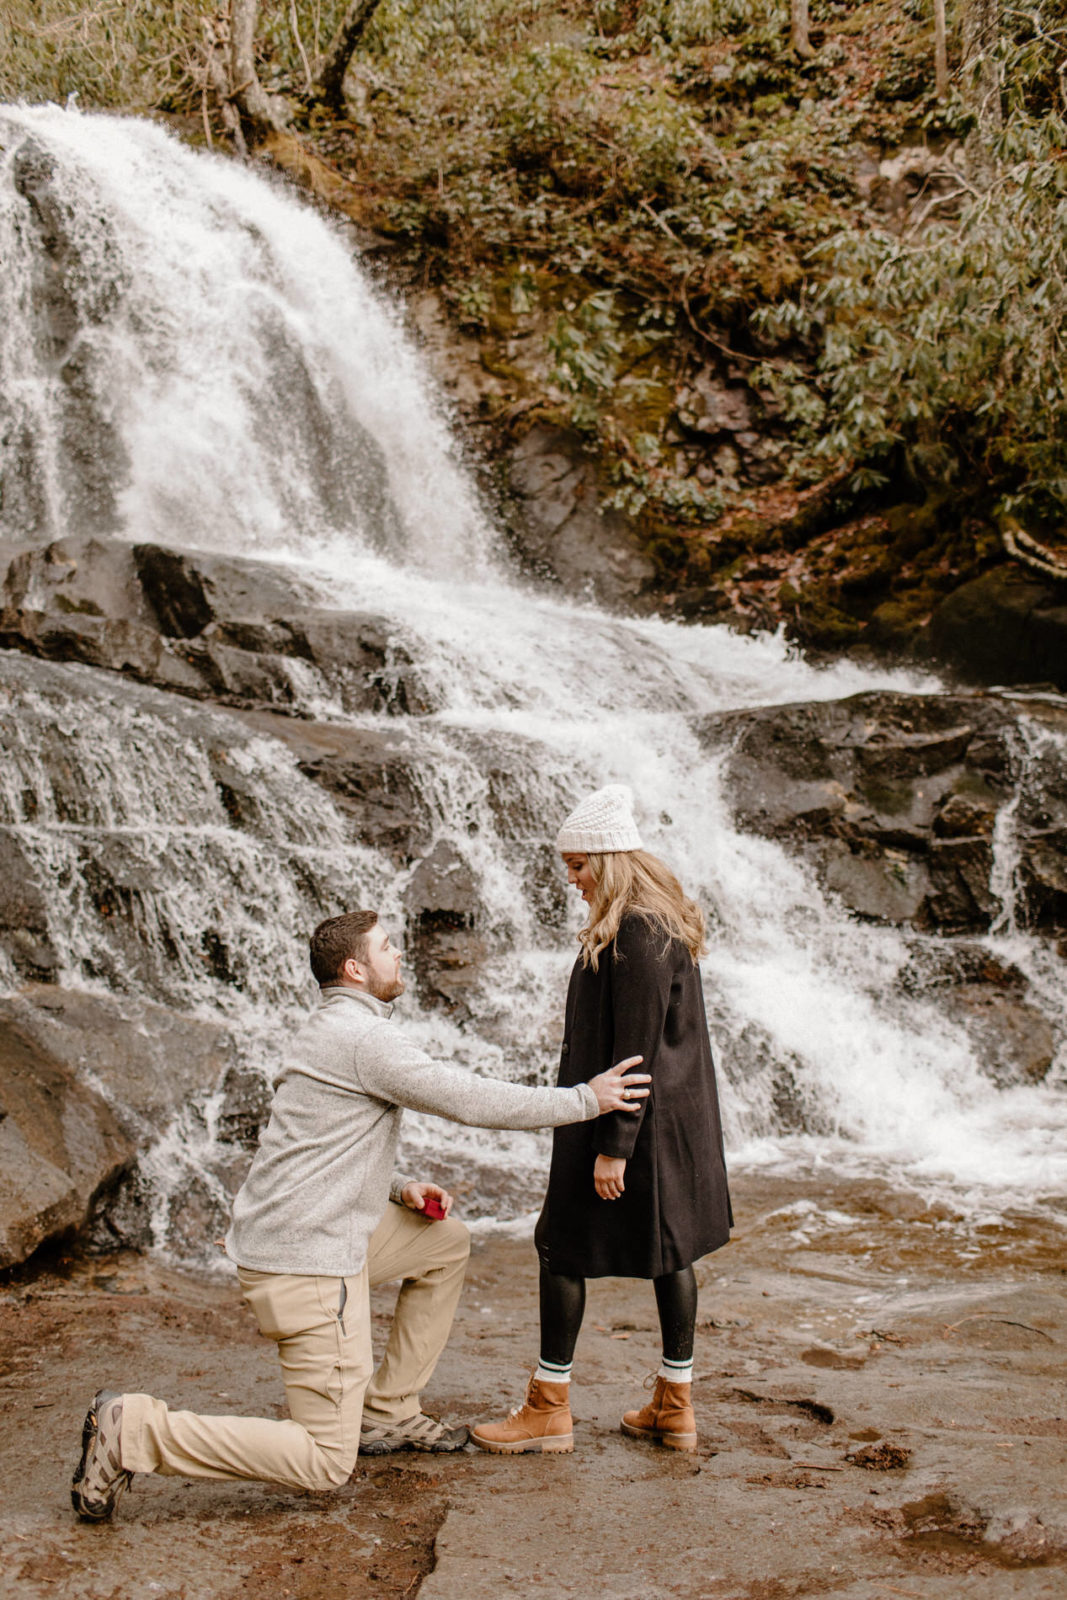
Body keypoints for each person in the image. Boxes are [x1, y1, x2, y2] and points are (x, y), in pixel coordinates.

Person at [71, 909, 649, 1521]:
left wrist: (397, 1187)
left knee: (444, 1242)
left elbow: (313, 1144)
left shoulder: (330, 1027)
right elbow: (467, 1098)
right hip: (308, 1263)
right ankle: (132, 1430)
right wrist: (587, 1100)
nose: (398, 954)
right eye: (386, 947)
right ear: (354, 968)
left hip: (297, 1239)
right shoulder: (366, 1038)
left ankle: (388, 1411)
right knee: (324, 1462)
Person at [471, 784, 732, 1456]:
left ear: (609, 861)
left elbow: (635, 1048)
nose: (571, 878)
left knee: (558, 1245)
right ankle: (674, 1407)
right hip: (665, 1123)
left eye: (578, 865)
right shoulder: (652, 918)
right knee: (668, 1254)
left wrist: (612, 1148)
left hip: (625, 1122)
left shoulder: (638, 929)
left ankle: (548, 1407)